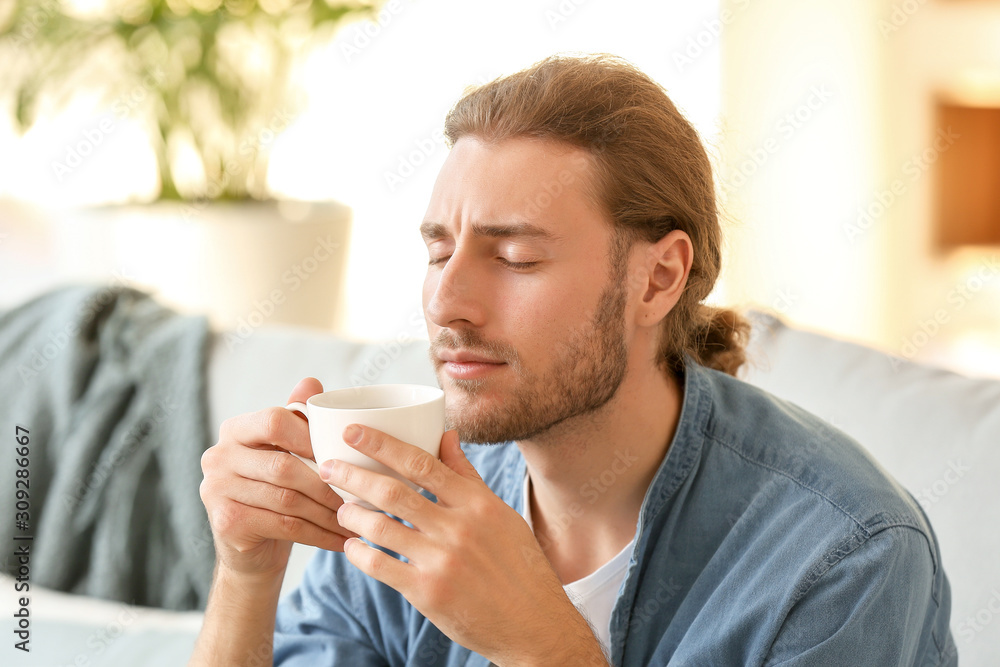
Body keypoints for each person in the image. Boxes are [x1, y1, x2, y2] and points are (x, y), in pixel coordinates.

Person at [190, 54, 957, 666]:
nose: (444, 301)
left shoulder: (846, 555)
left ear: (657, 277)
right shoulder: (396, 497)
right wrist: (247, 576)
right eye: (439, 250)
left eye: (515, 257)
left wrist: (541, 645)